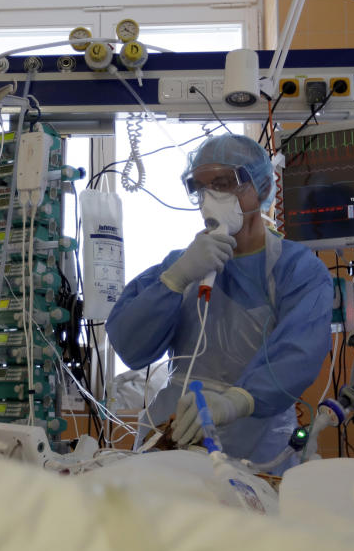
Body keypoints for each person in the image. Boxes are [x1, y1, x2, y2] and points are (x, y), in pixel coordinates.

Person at [106, 134, 337, 472]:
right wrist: (175, 280)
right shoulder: (181, 264)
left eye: (223, 183)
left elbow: (298, 353)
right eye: (200, 187)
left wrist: (232, 403)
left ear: (258, 187)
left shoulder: (296, 270)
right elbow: (130, 345)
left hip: (259, 445)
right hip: (176, 433)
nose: (209, 198)